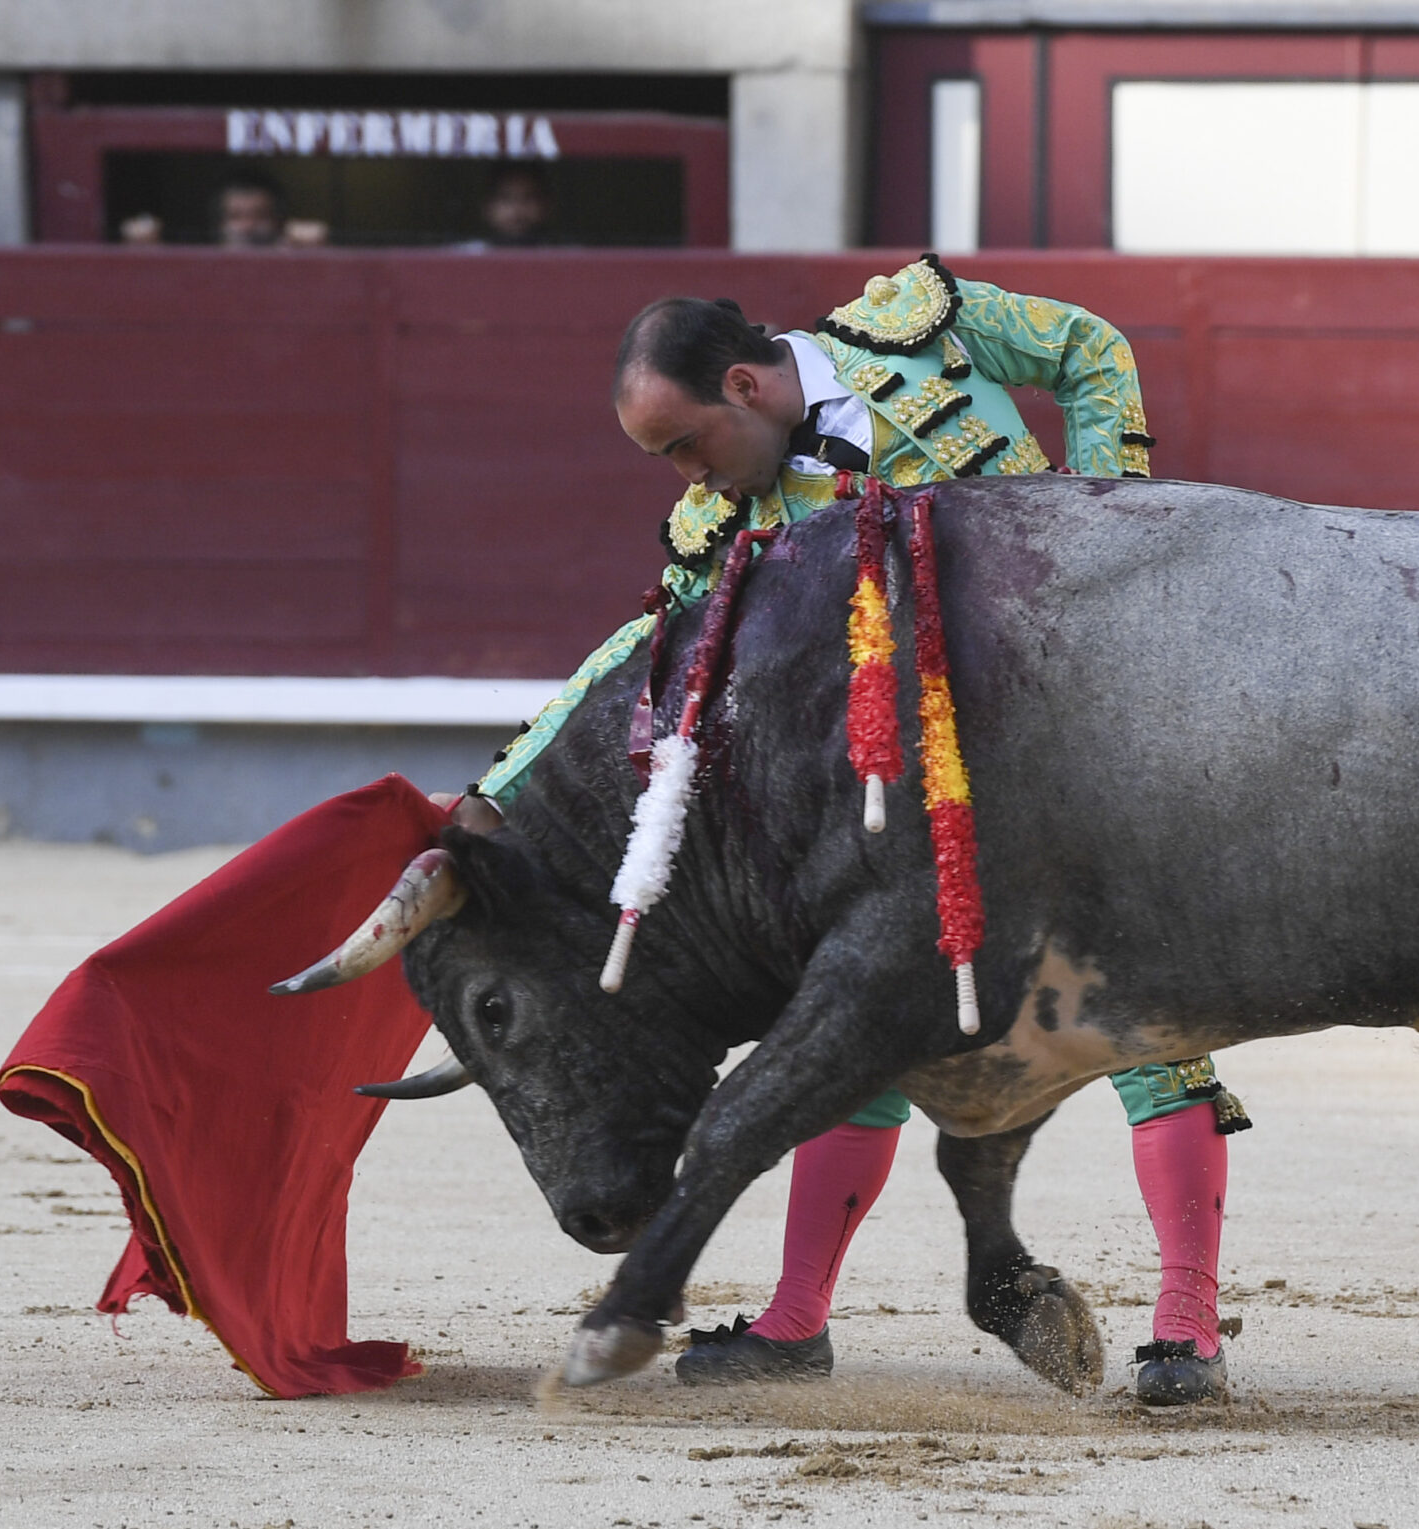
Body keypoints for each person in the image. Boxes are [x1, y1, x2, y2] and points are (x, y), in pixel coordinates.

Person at [454, 256, 1240, 1405]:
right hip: (896, 807)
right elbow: (639, 661)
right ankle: (793, 1316)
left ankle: (1188, 1332)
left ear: (744, 385)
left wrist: (1103, 516)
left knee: (1146, 1019)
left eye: (685, 441)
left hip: (1065, 755)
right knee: (850, 1038)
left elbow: (1088, 348)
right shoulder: (717, 517)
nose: (683, 473)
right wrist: (499, 784)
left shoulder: (920, 331)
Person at [477, 164, 553, 247]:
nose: (517, 209)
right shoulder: (471, 253)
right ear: (486, 207)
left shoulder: (558, 252)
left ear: (546, 205)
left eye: (528, 198)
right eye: (506, 198)